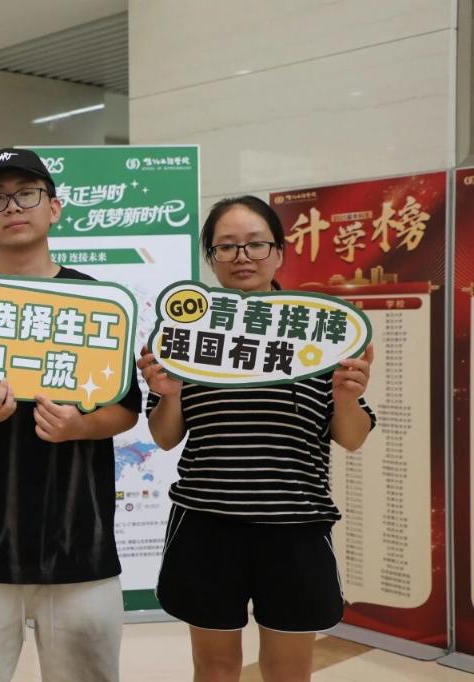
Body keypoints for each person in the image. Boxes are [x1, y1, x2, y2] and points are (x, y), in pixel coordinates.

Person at [0, 148, 142, 682]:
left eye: (27, 194)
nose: (13, 207)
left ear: (54, 208)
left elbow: (126, 409)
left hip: (80, 543)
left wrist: (81, 426)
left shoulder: (97, 302)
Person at [136, 195, 376, 682]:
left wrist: (347, 398)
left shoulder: (318, 336)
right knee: (216, 668)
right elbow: (164, 436)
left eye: (255, 244)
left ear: (279, 252)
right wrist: (169, 393)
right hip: (207, 524)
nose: (242, 256)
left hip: (295, 525)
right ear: (211, 258)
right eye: (226, 246)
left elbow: (352, 438)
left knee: (288, 672)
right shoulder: (186, 336)